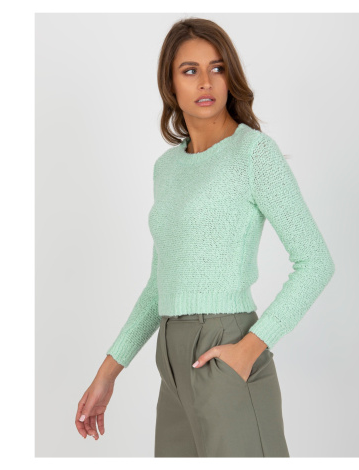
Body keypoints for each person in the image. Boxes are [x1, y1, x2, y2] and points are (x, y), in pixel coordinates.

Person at [75, 17, 335, 458]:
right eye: (189, 70)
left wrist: (251, 348)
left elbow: (316, 262)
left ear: (230, 76)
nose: (205, 82)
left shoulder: (254, 153)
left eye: (217, 68)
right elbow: (161, 284)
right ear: (170, 84)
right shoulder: (167, 169)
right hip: (172, 362)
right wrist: (108, 371)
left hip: (226, 347)